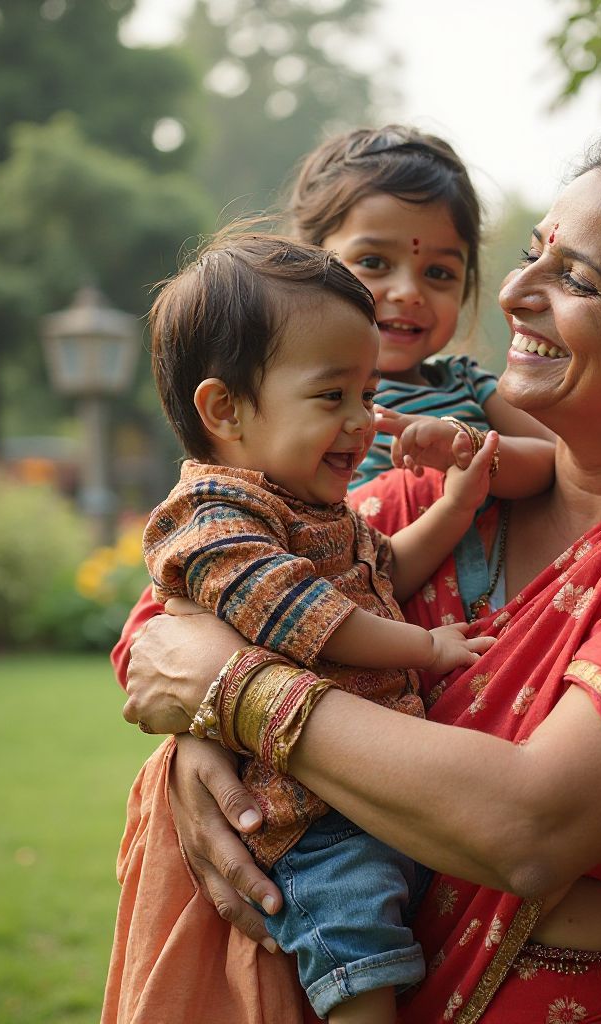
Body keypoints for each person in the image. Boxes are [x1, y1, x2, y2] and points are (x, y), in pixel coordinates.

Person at [108, 127, 601, 1024]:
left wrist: (239, 700)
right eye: (533, 254)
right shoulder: (438, 497)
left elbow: (534, 827)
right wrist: (199, 746)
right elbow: (170, 625)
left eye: (575, 279)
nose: (516, 293)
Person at [140, 231, 500, 1023]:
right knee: (362, 970)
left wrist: (453, 509)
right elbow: (315, 621)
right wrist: (430, 647)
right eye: (332, 397)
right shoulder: (218, 519)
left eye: (367, 395)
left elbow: (382, 577)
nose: (363, 422)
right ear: (224, 408)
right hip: (314, 826)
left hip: (370, 796)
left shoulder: (310, 507)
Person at [283, 124, 554, 494]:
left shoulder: (467, 384)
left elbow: (556, 460)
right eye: (375, 262)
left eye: (438, 273)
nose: (409, 293)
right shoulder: (288, 389)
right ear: (309, 264)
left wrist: (465, 446)